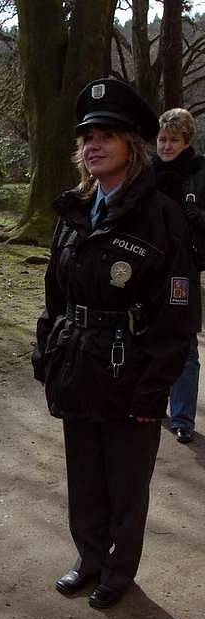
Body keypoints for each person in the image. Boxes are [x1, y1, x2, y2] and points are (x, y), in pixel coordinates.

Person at [32, 79, 196, 609]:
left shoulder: (161, 215)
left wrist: (154, 391)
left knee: (125, 480)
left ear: (133, 145)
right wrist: (46, 351)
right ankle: (89, 557)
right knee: (84, 473)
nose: (93, 145)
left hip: (130, 369)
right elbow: (55, 293)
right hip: (77, 360)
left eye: (106, 135)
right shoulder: (75, 210)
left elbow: (178, 313)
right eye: (87, 137)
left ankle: (119, 570)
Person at [154, 108, 205, 444]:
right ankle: (153, 405)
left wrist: (199, 216)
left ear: (187, 142)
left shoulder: (201, 171)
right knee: (146, 337)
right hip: (148, 266)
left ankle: (182, 417)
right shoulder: (145, 171)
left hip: (184, 269)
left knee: (185, 343)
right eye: (162, 139)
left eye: (173, 140)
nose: (166, 146)